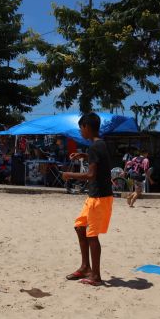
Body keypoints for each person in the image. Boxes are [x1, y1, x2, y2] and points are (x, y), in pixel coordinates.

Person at [62, 113, 113, 286]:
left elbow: (91, 174)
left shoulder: (95, 147)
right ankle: (85, 267)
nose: (80, 131)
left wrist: (69, 174)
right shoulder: (99, 144)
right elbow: (98, 161)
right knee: (79, 227)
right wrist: (83, 156)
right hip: (95, 196)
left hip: (99, 197)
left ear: (86, 127)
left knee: (92, 236)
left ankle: (96, 277)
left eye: (80, 128)